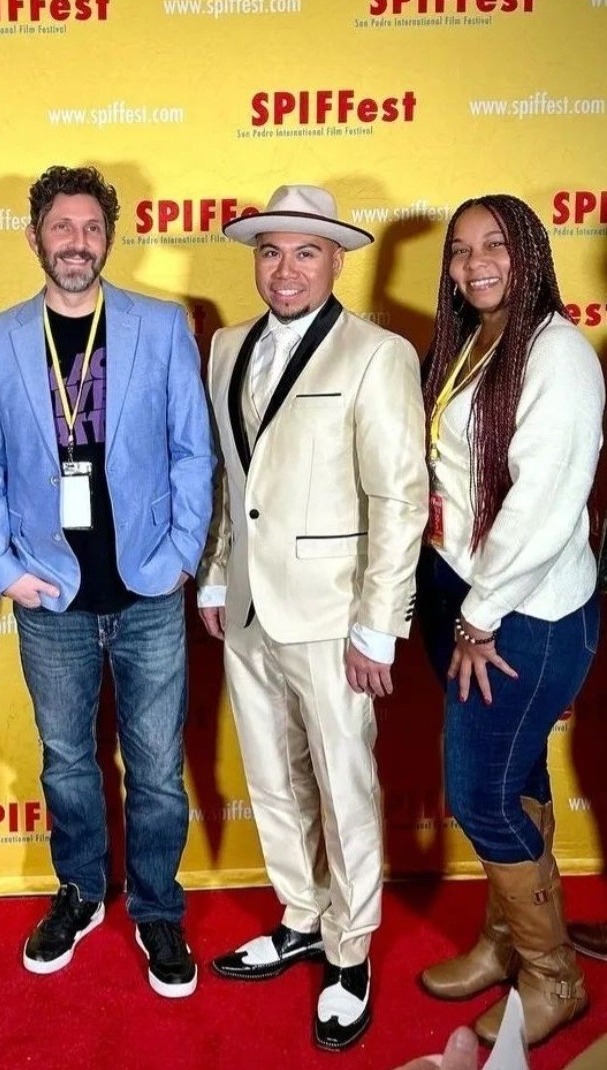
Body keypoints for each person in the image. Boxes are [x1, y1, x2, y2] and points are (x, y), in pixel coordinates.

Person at [0, 165, 214, 998]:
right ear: (34, 237)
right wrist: (5, 569)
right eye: (61, 228)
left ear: (109, 236)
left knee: (158, 767)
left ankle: (157, 905)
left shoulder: (161, 325)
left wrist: (183, 553)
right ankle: (79, 889)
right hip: (51, 594)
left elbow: (193, 450)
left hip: (148, 589)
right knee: (67, 761)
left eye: (91, 228)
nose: (77, 242)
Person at [197, 185, 428, 1050]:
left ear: (336, 261)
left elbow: (400, 498)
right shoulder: (225, 346)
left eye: (304, 252)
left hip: (335, 613)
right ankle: (301, 913)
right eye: (270, 252)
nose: (284, 269)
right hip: (248, 607)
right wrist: (216, 576)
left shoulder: (379, 354)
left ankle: (350, 947)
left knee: (344, 783)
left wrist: (378, 625)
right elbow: (233, 479)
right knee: (270, 775)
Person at [416, 194, 603, 1047]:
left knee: (483, 795)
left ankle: (554, 975)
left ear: (530, 250)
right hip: (467, 592)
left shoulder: (558, 352)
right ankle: (507, 944)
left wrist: (479, 617)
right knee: (517, 778)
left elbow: (545, 505)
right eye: (460, 250)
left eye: (494, 244)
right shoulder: (476, 338)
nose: (475, 262)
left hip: (521, 612)